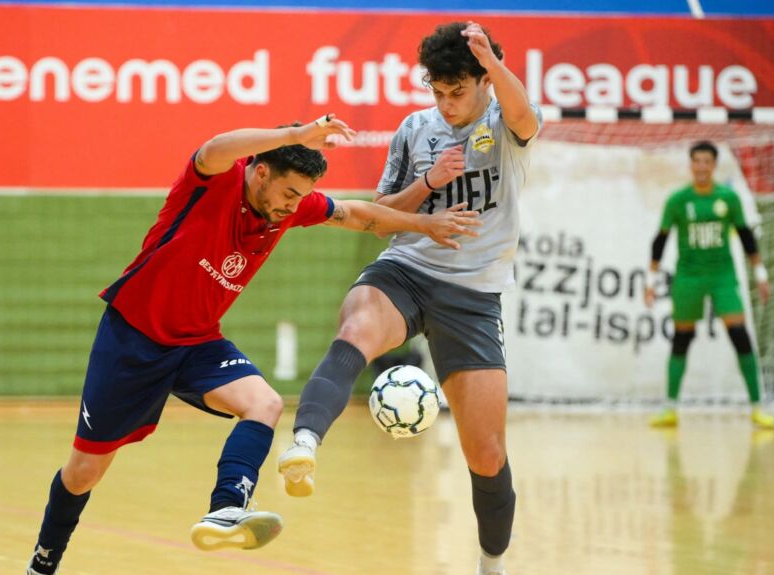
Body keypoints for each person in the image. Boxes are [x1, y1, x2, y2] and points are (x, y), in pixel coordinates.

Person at [25, 116, 481, 575]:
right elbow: (214, 145)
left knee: (264, 402)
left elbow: (360, 215)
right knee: (84, 471)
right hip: (132, 338)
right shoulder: (214, 180)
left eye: (301, 197)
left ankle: (226, 507)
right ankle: (43, 564)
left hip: (197, 342)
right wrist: (293, 136)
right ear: (260, 171)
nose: (293, 206)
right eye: (288, 194)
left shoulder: (290, 206)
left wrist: (425, 225)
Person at [277, 21, 541, 575]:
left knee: (487, 454)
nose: (445, 104)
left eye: (458, 91)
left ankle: (491, 564)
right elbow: (379, 217)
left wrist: (492, 61)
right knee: (354, 331)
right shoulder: (415, 130)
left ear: (485, 82)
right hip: (408, 269)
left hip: (473, 295)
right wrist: (427, 193)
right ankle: (303, 442)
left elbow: (524, 115)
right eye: (437, 92)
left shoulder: (504, 121)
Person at [644, 140, 774, 429]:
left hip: (722, 276)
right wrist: (650, 282)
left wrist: (761, 274)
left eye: (707, 161)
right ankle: (670, 409)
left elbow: (745, 236)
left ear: (714, 165)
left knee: (739, 334)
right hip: (689, 277)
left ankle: (757, 407)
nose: (702, 166)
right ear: (691, 165)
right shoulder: (678, 200)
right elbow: (660, 242)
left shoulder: (728, 198)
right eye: (697, 161)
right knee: (682, 338)